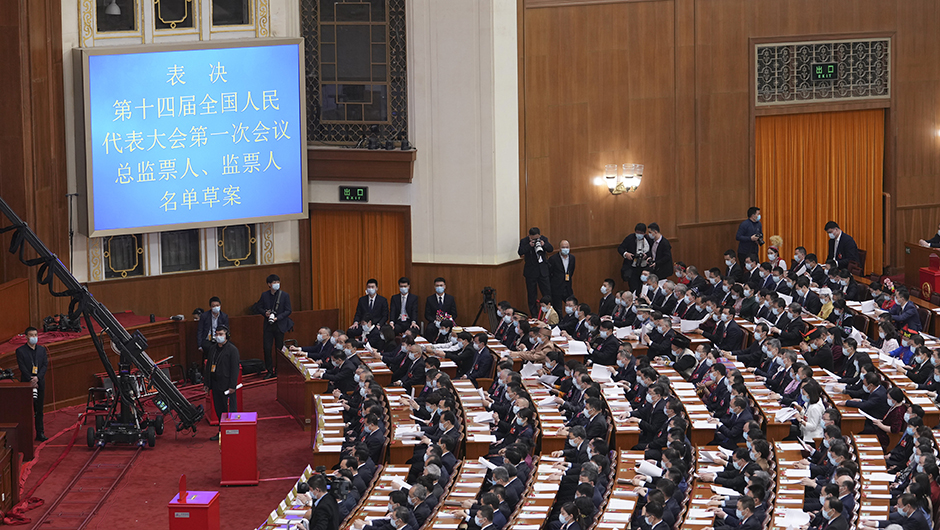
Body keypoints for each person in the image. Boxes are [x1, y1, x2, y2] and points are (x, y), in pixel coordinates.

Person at [253, 274, 293, 379]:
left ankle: (279, 371)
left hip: (280, 325)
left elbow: (288, 310)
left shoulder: (284, 295)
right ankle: (269, 370)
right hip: (268, 326)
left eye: (278, 282)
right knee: (267, 348)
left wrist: (278, 318)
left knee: (279, 349)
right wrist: (265, 313)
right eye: (274, 282)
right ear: (269, 284)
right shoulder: (264, 295)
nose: (276, 284)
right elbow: (258, 307)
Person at [205, 325, 239, 440]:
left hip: (227, 386)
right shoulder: (212, 349)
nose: (218, 336)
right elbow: (209, 366)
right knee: (219, 410)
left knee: (229, 410)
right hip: (215, 384)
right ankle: (221, 432)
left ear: (226, 336)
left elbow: (235, 369)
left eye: (221, 334)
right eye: (217, 334)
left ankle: (232, 433)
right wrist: (207, 383)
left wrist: (232, 386)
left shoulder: (232, 350)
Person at [16, 327, 48, 442]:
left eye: (35, 335)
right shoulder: (20, 351)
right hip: (27, 383)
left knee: (39, 410)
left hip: (40, 383)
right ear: (26, 337)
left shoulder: (42, 350)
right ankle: (26, 435)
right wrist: (31, 379)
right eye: (31, 335)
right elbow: (22, 367)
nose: (34, 337)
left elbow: (44, 365)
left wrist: (37, 378)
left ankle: (40, 433)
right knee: (27, 410)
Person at [519, 227, 554, 316]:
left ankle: (549, 314)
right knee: (532, 295)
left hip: (543, 271)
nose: (536, 240)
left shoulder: (544, 239)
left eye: (537, 238)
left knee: (547, 293)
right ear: (529, 236)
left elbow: (550, 249)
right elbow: (520, 252)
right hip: (531, 272)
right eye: (534, 238)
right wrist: (529, 246)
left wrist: (544, 244)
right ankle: (534, 315)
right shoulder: (524, 241)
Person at [617, 223, 651, 292]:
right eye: (637, 232)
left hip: (644, 267)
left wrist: (646, 255)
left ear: (644, 233)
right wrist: (626, 254)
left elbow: (652, 251)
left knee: (643, 287)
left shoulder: (648, 239)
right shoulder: (630, 238)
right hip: (632, 267)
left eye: (641, 233)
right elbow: (620, 248)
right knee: (633, 287)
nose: (639, 234)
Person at [196, 297, 229, 363]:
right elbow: (200, 330)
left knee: (229, 348)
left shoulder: (224, 316)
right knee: (210, 349)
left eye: (217, 305)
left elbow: (227, 330)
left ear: (220, 306)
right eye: (213, 306)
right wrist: (199, 345)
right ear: (210, 307)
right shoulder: (204, 316)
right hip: (208, 340)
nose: (216, 307)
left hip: (220, 339)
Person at [548, 240, 575, 314]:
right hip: (556, 287)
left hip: (568, 287)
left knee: (572, 304)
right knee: (558, 308)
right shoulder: (553, 259)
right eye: (563, 247)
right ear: (560, 248)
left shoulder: (572, 258)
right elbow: (549, 273)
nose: (565, 249)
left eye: (567, 247)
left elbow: (571, 271)